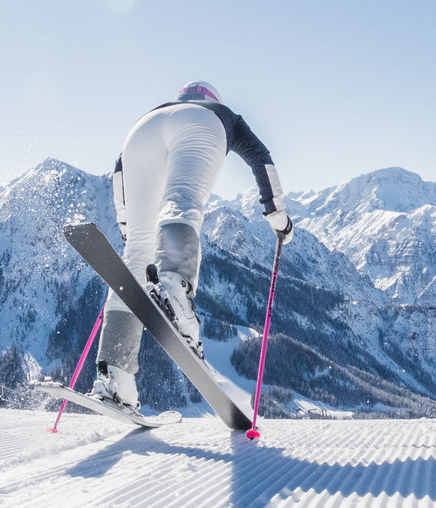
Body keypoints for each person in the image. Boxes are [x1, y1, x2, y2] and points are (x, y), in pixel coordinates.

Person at [93, 80, 292, 413]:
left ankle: (114, 375)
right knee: (182, 202)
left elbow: (120, 172)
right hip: (197, 130)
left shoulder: (160, 110)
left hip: (138, 136)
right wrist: (278, 215)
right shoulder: (221, 114)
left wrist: (128, 225)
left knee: (137, 253)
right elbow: (261, 158)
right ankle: (173, 288)